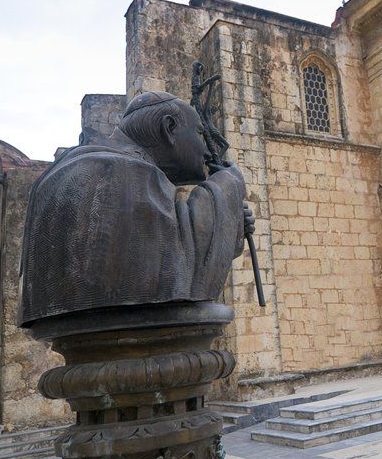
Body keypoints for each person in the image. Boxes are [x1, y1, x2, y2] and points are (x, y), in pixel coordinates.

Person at [19, 91, 248, 326]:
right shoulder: (118, 171)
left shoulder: (82, 166)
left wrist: (234, 222)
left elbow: (163, 237)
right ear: (169, 128)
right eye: (199, 133)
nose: (208, 152)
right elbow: (183, 270)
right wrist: (229, 185)